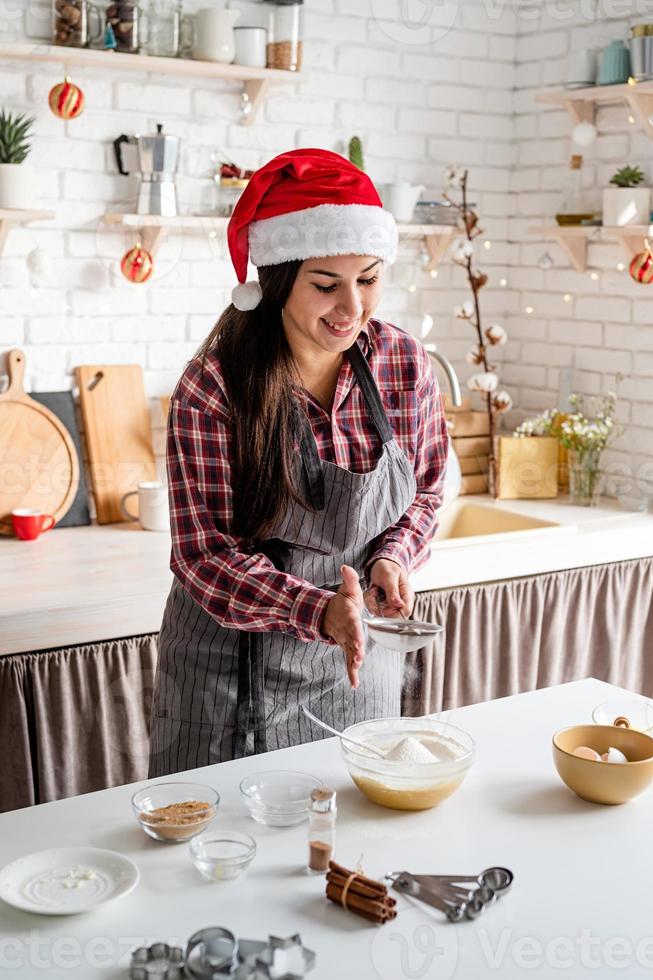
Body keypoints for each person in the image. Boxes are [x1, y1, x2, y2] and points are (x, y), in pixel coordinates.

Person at [148, 148, 449, 776]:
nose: (352, 309)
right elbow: (203, 556)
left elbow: (422, 494)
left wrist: (393, 557)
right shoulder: (214, 387)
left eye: (368, 279)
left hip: (356, 661)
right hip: (231, 673)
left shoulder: (402, 363)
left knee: (344, 840)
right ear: (281, 279)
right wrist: (317, 611)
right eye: (325, 285)